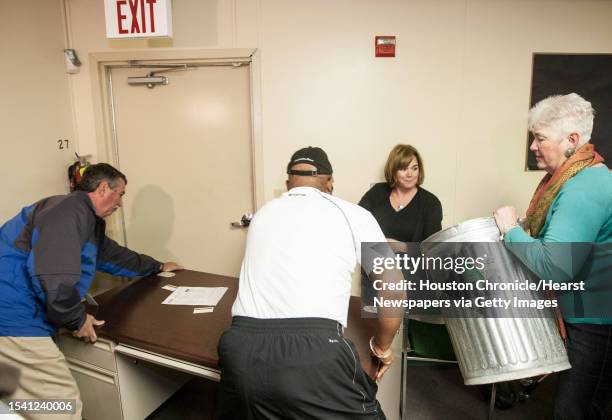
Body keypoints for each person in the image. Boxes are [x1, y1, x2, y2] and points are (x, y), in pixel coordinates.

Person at [216, 147, 404, 420]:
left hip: (239, 348)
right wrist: (382, 346)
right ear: (330, 184)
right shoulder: (353, 214)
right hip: (313, 353)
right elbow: (393, 290)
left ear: (288, 184)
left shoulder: (262, 214)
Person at [0, 163, 182, 420]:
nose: (120, 203)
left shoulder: (83, 219)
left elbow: (113, 256)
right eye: (120, 194)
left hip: (12, 317)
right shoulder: (68, 212)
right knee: (62, 406)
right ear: (104, 187)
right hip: (14, 321)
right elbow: (53, 274)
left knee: (19, 404)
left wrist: (158, 266)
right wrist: (77, 318)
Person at [494, 93, 612, 420]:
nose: (533, 146)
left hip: (597, 321)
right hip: (585, 312)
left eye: (540, 138)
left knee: (574, 411)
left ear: (571, 140)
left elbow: (556, 266)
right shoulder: (579, 178)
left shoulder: (584, 187)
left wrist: (510, 231)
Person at [358, 144, 442, 243]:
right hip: (372, 256)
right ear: (393, 171)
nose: (410, 174)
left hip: (411, 258)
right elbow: (356, 224)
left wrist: (403, 247)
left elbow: (433, 249)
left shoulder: (431, 203)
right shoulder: (377, 192)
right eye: (403, 169)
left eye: (414, 168)